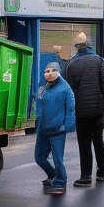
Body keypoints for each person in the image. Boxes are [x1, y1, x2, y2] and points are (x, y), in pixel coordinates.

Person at [64, 31, 104, 188]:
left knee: (84, 142)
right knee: (98, 140)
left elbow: (69, 87)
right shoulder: (100, 60)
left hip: (81, 110)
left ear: (77, 48)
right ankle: (101, 171)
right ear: (90, 46)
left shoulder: (72, 63)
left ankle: (85, 177)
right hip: (97, 108)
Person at [35, 62, 76, 195]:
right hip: (43, 129)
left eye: (53, 71)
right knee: (39, 157)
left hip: (58, 129)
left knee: (58, 159)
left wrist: (67, 127)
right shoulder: (43, 89)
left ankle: (60, 183)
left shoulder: (65, 89)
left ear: (58, 72)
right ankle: (53, 175)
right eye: (47, 71)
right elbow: (39, 109)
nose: (50, 73)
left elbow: (70, 109)